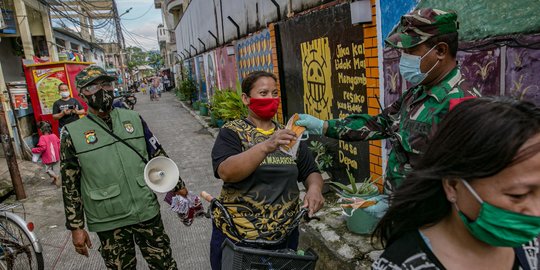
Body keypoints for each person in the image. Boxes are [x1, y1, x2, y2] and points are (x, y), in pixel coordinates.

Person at [296, 8, 480, 193]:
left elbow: (464, 183)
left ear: (440, 50)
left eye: (410, 50)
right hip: (400, 208)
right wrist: (324, 126)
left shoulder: (463, 105)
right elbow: (380, 124)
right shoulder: (417, 93)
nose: (404, 57)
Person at [372, 97, 540, 269]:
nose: (536, 212)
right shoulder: (401, 265)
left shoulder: (526, 242)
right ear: (452, 185)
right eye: (518, 195)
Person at [60, 66, 189, 269]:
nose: (102, 91)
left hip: (145, 210)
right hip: (108, 219)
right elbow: (70, 184)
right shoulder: (72, 133)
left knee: (165, 264)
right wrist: (76, 226)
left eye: (106, 84)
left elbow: (156, 153)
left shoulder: (133, 119)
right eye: (92, 87)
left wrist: (178, 185)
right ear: (81, 93)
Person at [210, 71, 325, 270]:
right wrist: (266, 146)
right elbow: (226, 171)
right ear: (246, 99)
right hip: (239, 237)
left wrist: (315, 189)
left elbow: (310, 172)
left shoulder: (289, 135)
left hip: (284, 236)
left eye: (274, 93)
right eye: (263, 93)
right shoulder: (232, 132)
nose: (271, 99)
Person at [31, 121, 61, 187]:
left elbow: (43, 148)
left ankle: (56, 177)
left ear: (42, 130)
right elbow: (59, 145)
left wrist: (34, 150)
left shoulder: (42, 137)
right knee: (56, 169)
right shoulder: (54, 135)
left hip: (48, 158)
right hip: (56, 156)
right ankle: (55, 179)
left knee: (48, 170)